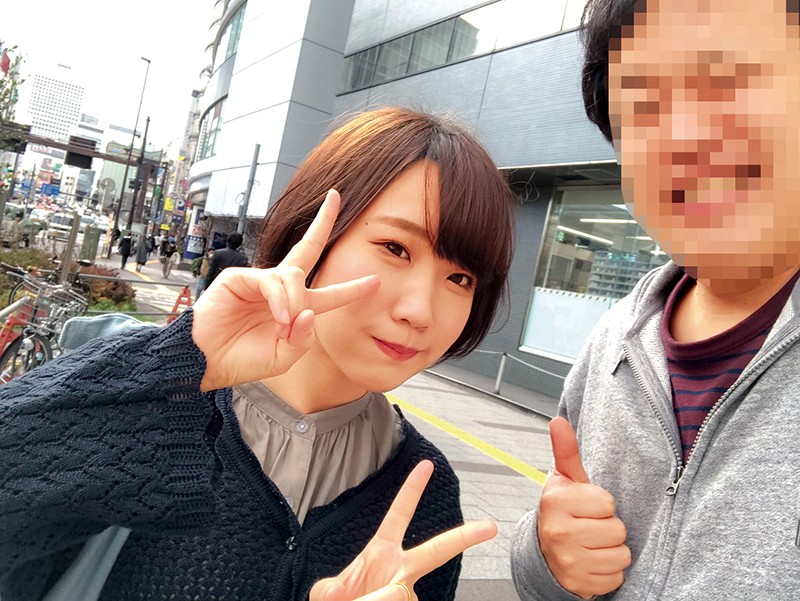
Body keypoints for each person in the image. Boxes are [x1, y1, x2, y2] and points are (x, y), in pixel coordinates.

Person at [0, 108, 515, 601]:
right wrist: (175, 361)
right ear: (311, 232)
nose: (421, 311)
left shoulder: (426, 492)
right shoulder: (150, 408)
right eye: (396, 248)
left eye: (460, 278)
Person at [511, 2, 800, 600]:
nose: (685, 139)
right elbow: (555, 541)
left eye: (728, 81)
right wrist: (546, 554)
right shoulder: (613, 341)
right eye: (644, 111)